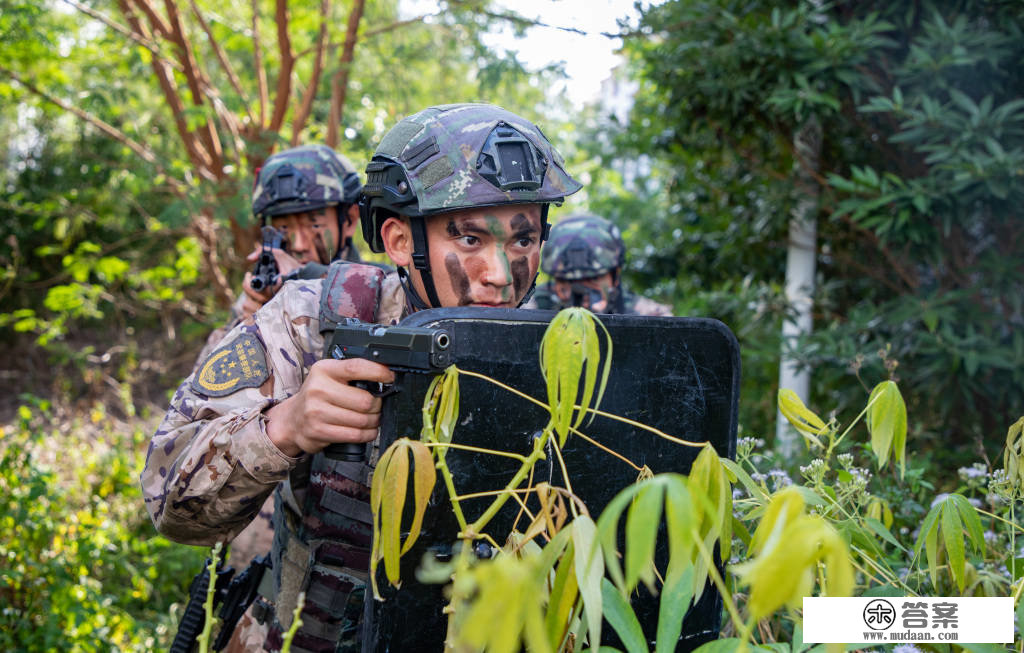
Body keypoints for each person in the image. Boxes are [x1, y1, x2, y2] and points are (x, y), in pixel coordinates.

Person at [142, 103, 582, 652]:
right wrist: (286, 427)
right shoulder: (313, 320)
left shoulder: (571, 351)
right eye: (469, 240)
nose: (500, 273)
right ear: (400, 241)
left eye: (522, 240)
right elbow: (171, 505)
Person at [200, 144, 366, 570]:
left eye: (313, 222)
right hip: (263, 544)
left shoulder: (381, 292)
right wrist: (249, 319)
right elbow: (203, 415)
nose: (298, 241)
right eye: (282, 227)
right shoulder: (260, 302)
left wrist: (301, 285)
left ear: (347, 221)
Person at [525, 213, 673, 316]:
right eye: (567, 281)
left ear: (614, 276)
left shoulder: (643, 313)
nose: (580, 290)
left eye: (592, 279)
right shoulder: (534, 307)